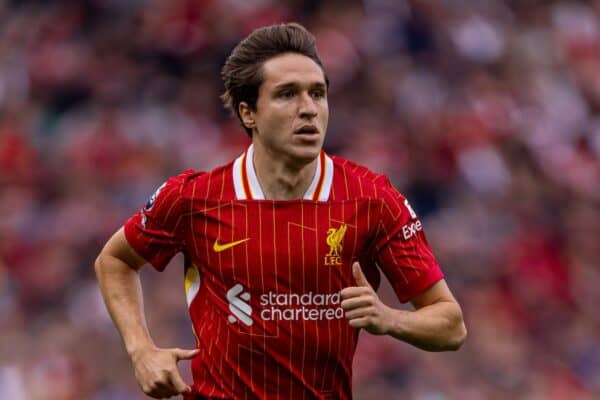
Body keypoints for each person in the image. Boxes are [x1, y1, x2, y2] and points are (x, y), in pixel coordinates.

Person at [95, 22, 466, 400]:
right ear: (248, 112)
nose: (308, 109)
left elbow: (450, 325)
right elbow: (115, 261)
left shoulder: (371, 199)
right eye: (287, 95)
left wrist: (390, 319)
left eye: (317, 94)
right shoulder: (194, 198)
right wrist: (141, 351)